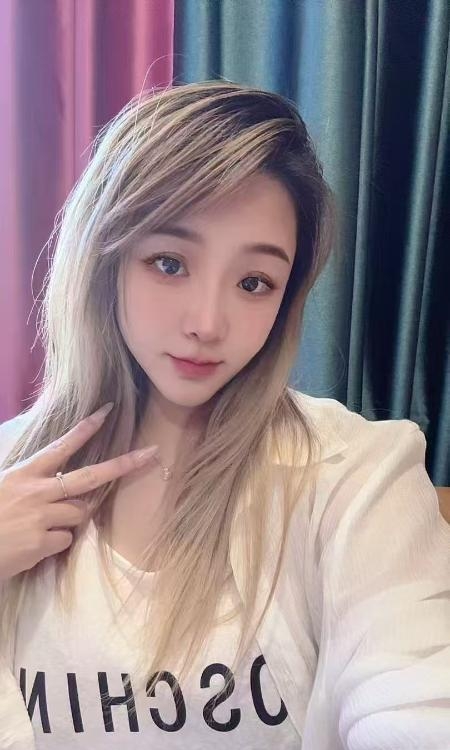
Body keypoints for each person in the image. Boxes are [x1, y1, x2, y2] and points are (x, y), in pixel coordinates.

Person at [0, 80, 449, 750]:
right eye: (170, 263)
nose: (207, 323)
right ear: (104, 258)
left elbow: (415, 696)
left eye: (253, 283)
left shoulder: (354, 474)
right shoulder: (8, 471)